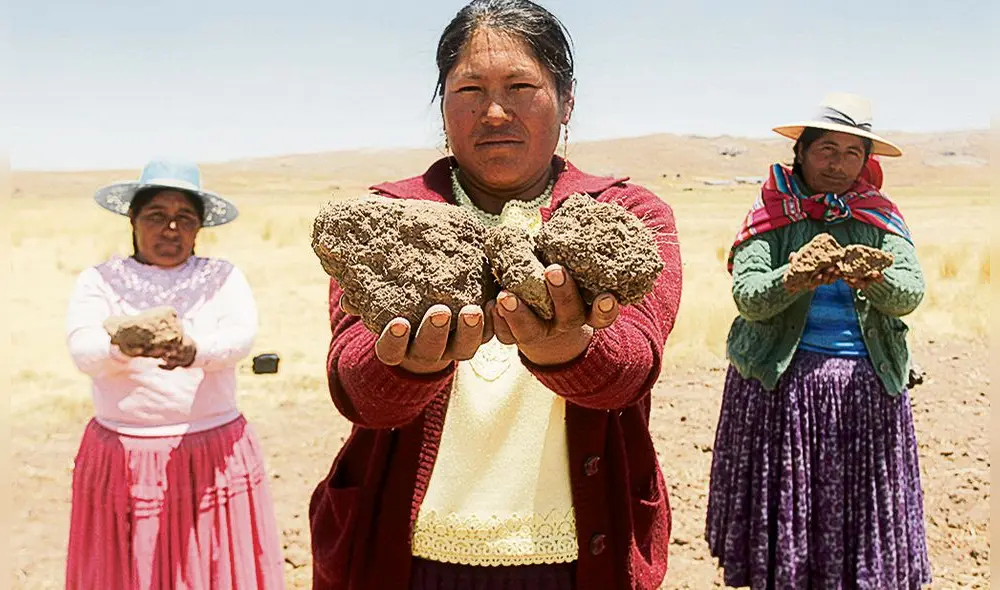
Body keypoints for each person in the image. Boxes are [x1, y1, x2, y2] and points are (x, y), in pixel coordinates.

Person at [308, 1, 683, 589]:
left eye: (521, 85)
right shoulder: (387, 221)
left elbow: (633, 367)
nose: (495, 111)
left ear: (566, 99)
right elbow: (357, 389)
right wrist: (406, 366)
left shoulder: (624, 217)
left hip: (575, 557)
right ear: (443, 104)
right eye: (470, 89)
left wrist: (568, 349)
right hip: (410, 557)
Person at [705, 93, 932, 588]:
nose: (839, 163)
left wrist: (870, 276)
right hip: (779, 391)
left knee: (858, 513)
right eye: (827, 148)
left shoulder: (880, 218)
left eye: (853, 153)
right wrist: (796, 274)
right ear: (801, 152)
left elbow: (910, 293)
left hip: (866, 392)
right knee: (787, 505)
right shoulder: (772, 214)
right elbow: (748, 296)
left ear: (867, 162)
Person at [64, 160, 285, 589]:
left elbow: (241, 338)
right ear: (133, 220)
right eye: (156, 216)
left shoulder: (222, 277)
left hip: (211, 450)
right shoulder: (100, 281)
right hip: (124, 457)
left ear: (199, 227)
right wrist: (122, 345)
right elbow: (81, 351)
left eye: (185, 218)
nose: (170, 229)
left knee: (213, 566)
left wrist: (194, 351)